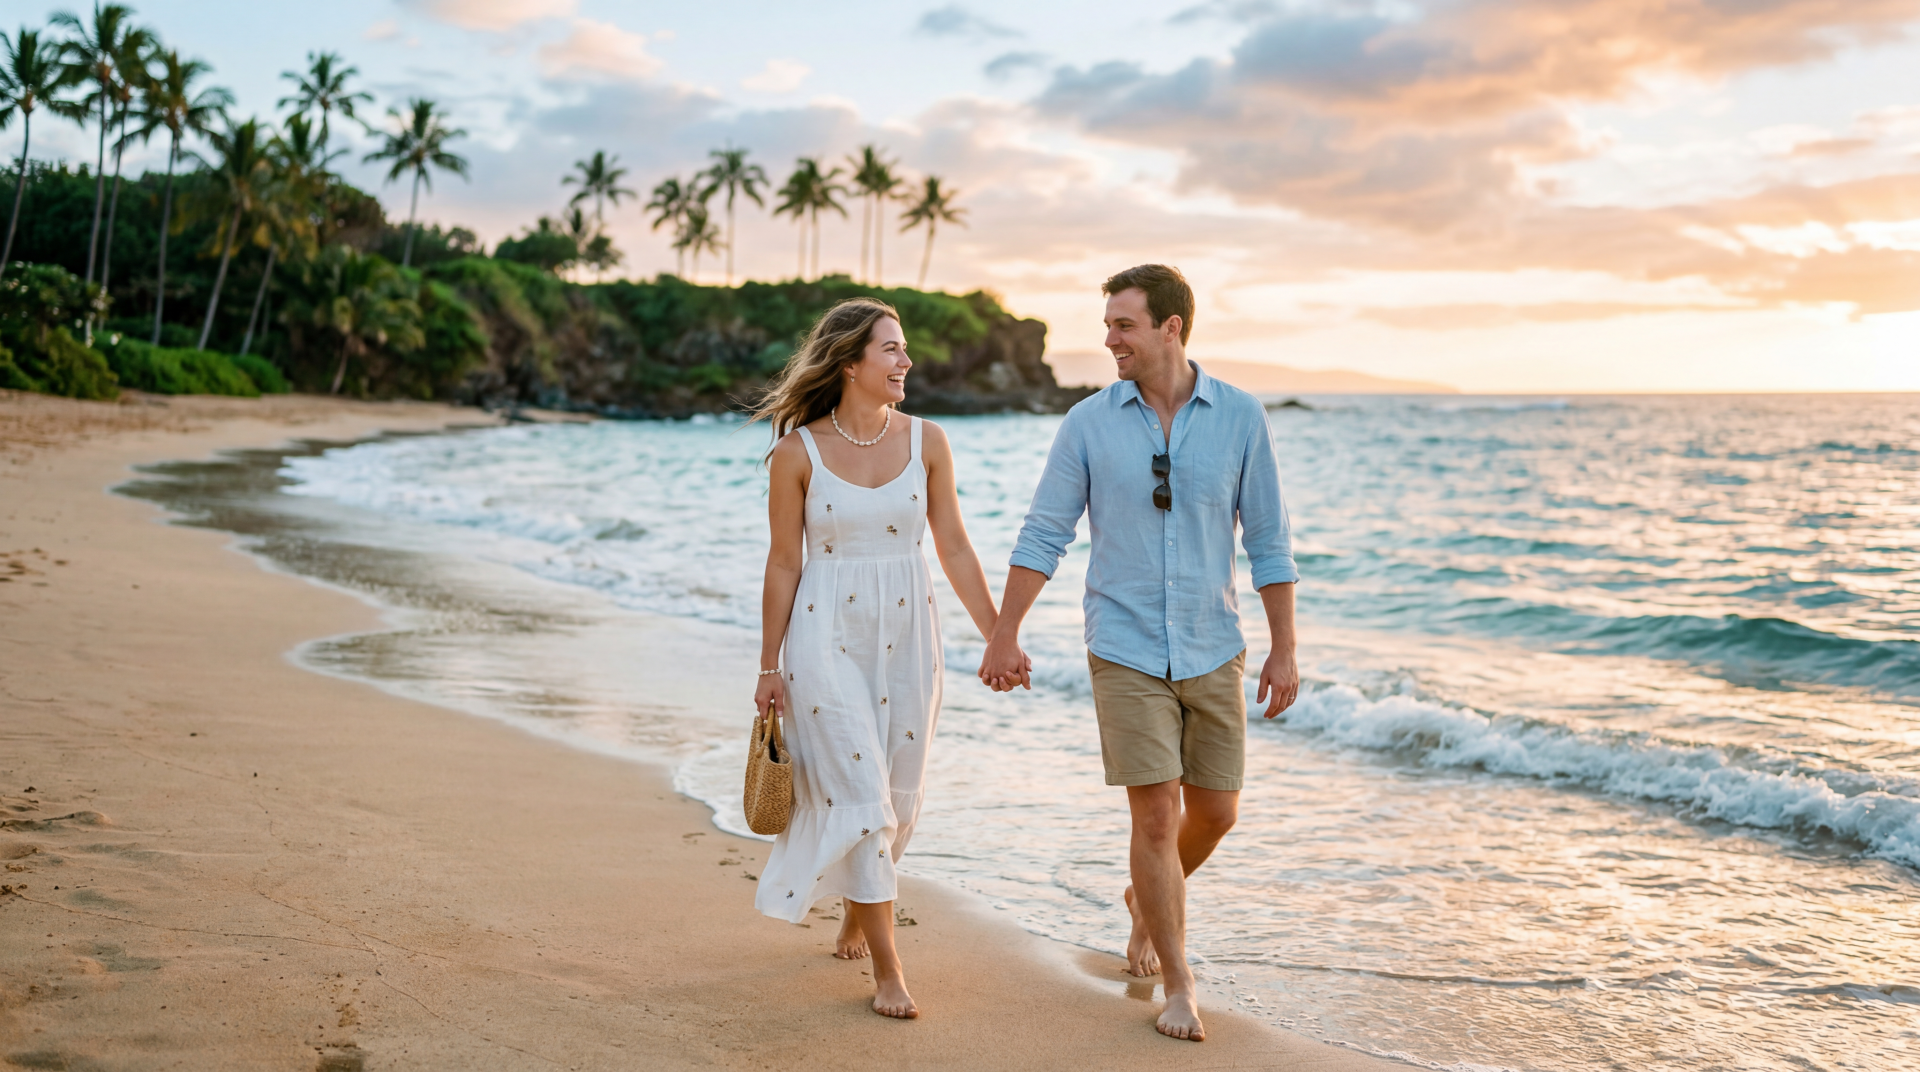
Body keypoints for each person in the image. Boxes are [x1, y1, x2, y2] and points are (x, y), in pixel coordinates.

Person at [978, 264, 1301, 1042]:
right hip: (1122, 645)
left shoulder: (1241, 418)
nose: (1108, 338)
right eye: (1108, 324)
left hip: (1212, 643)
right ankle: (1179, 983)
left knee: (1215, 813)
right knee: (1156, 816)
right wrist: (1004, 629)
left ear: (1171, 328)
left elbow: (1268, 541)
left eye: (1123, 325)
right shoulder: (1087, 423)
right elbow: (1044, 531)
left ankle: (1141, 899)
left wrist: (1284, 649)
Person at [750, 297, 1002, 1020]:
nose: (906, 362)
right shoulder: (797, 453)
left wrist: (996, 632)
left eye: (903, 348)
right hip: (823, 634)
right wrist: (769, 667)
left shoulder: (928, 441)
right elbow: (781, 564)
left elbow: (952, 544)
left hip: (909, 632)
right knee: (862, 791)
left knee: (899, 792)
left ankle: (858, 910)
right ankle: (890, 972)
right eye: (890, 349)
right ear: (850, 361)